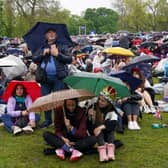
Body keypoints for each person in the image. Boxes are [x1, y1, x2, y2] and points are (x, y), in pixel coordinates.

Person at [33, 28, 73, 128]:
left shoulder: (62, 46)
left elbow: (69, 59)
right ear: (46, 35)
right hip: (44, 78)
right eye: (49, 33)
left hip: (58, 78)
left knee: (58, 100)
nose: (51, 34)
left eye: (53, 32)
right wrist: (42, 54)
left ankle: (58, 120)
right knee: (45, 99)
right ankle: (47, 120)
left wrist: (57, 54)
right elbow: (34, 58)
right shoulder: (42, 46)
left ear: (56, 35)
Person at [87, 86, 118, 162]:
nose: (100, 102)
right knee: (98, 130)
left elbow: (114, 123)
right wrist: (89, 116)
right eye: (99, 99)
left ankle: (110, 151)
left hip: (106, 134)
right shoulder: (93, 106)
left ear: (109, 103)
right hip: (94, 134)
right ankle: (102, 151)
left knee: (111, 130)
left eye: (103, 101)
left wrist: (101, 127)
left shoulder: (112, 110)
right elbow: (88, 125)